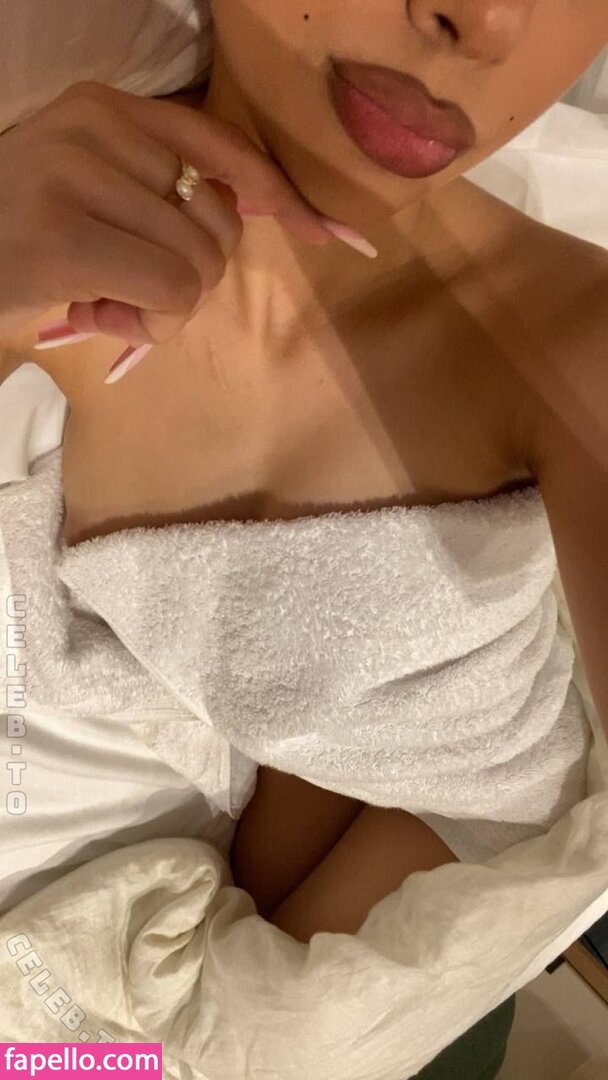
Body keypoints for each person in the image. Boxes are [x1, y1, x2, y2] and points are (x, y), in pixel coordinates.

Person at [1, 0, 607, 953]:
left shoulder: (571, 339)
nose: (488, 20)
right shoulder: (48, 231)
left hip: (460, 831)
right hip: (274, 781)